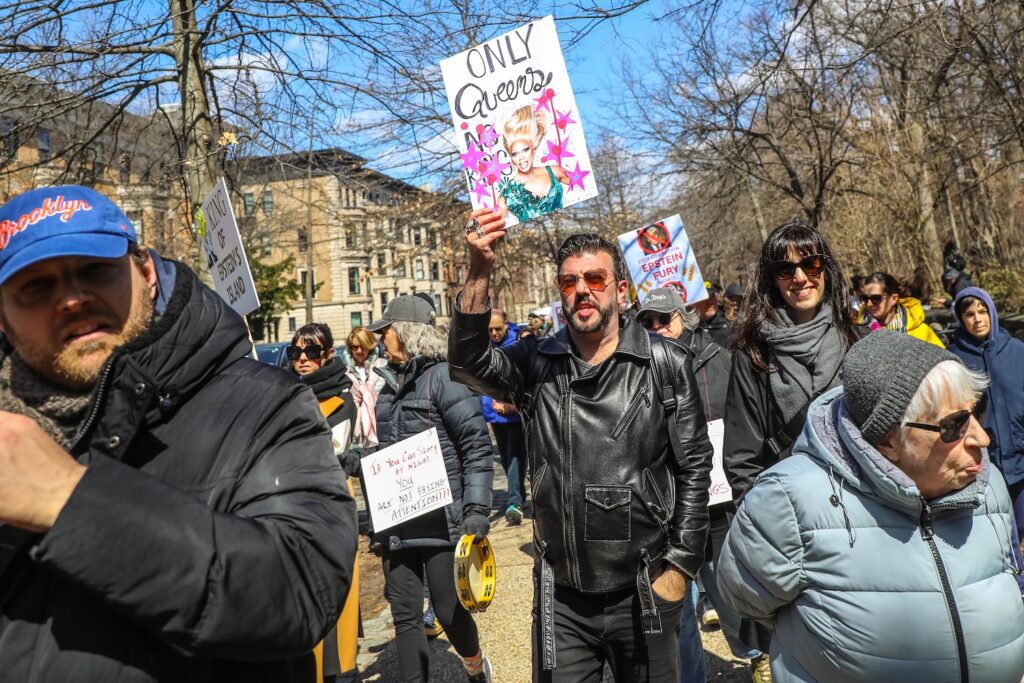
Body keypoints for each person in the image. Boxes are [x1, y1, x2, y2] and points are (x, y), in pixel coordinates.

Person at [0, 186, 356, 680]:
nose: (72, 298)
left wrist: (70, 502)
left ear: (145, 271)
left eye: (95, 269)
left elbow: (303, 586)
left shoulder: (263, 403)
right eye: (35, 286)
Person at [450, 207, 714, 683]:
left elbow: (695, 469)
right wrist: (481, 268)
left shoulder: (665, 362)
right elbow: (466, 363)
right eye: (570, 282)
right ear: (560, 293)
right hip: (563, 599)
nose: (583, 290)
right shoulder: (537, 360)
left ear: (620, 289)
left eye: (595, 277)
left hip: (646, 589)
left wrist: (679, 569)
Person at [717, 331, 1024, 682]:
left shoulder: (987, 482)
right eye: (953, 425)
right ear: (888, 441)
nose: (982, 439)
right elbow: (744, 598)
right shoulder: (790, 500)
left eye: (976, 412)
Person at [342, 294, 495, 683]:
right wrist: (361, 459)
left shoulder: (446, 378)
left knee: (447, 610)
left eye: (387, 331)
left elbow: (476, 449)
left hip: (444, 521)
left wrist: (476, 510)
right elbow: (391, 452)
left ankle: (475, 665)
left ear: (407, 333)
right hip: (399, 519)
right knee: (405, 615)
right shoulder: (387, 388)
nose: (381, 339)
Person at [636, 289, 708, 683]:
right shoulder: (638, 367)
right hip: (662, 515)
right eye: (647, 322)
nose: (655, 328)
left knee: (691, 613)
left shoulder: (712, 358)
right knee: (672, 616)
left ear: (684, 318)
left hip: (706, 502)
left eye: (663, 319)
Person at [289, 323, 360, 683]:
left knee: (336, 600)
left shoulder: (341, 399)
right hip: (293, 510)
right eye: (296, 352)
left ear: (327, 354)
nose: (302, 359)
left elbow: (329, 456)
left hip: (330, 510)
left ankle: (341, 672)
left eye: (311, 353)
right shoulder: (286, 395)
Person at [949, 287, 1024, 587]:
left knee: (1020, 526)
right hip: (982, 463)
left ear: (992, 312)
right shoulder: (954, 360)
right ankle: (1014, 586)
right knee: (998, 532)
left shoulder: (1017, 351)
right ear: (961, 318)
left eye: (982, 311)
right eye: (969, 314)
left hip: (1020, 457)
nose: (977, 319)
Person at [482, 308, 527, 525]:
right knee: (507, 457)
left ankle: (514, 502)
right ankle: (517, 495)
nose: (494, 333)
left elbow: (525, 378)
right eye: (490, 330)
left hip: (516, 413)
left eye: (498, 329)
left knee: (516, 455)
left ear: (506, 325)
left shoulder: (518, 344)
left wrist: (513, 404)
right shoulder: (485, 347)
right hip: (495, 413)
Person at [497, 105, 569, 223]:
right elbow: (492, 228)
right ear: (511, 158)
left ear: (533, 150)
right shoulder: (507, 193)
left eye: (525, 150)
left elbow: (584, 184)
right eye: (515, 154)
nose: (521, 157)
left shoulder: (553, 171)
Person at [860, 271, 945, 347]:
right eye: (864, 298)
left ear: (894, 299)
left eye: (876, 298)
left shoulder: (921, 332)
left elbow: (943, 362)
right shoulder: (857, 332)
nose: (869, 304)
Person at [343, 326, 386, 448]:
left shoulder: (383, 367)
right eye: (355, 347)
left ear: (370, 346)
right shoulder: (344, 373)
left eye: (363, 346)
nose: (359, 351)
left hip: (379, 432)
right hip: (352, 439)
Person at [693, 281, 730, 347]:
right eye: (704, 298)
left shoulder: (730, 328)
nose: (710, 302)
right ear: (694, 302)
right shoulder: (686, 328)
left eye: (712, 297)